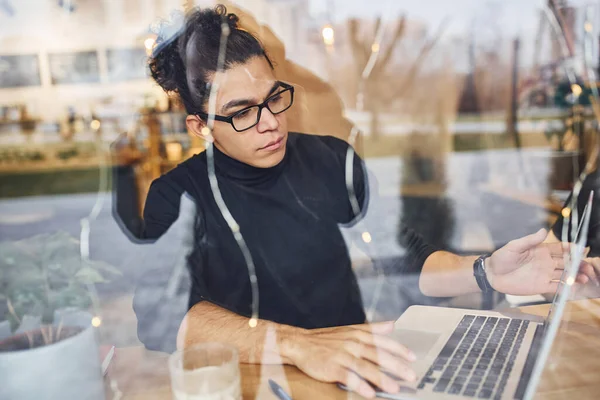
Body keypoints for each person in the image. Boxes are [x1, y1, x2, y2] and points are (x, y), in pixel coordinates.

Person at [128, 6, 595, 398]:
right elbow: (163, 317)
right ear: (201, 127)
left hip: (357, 376)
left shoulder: (331, 159)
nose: (270, 122)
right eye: (243, 112)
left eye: (274, 99)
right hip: (265, 382)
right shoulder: (177, 195)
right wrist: (297, 345)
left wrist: (487, 270)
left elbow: (404, 256)